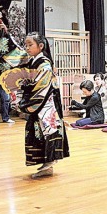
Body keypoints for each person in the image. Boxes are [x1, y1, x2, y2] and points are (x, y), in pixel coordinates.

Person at [15, 32, 69, 178]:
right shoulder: (33, 61)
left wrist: (24, 98)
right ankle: (46, 163)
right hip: (40, 103)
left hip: (46, 104)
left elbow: (40, 86)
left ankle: (49, 164)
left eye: (30, 45)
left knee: (47, 131)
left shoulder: (44, 63)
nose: (27, 48)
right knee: (38, 132)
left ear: (41, 46)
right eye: (26, 45)